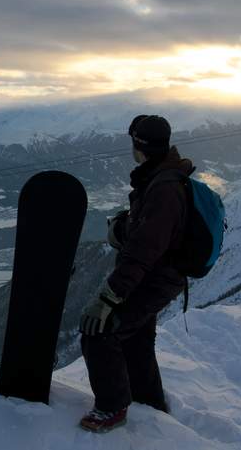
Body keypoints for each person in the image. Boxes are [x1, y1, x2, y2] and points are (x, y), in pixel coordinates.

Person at [78, 114, 194, 433]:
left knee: (98, 330)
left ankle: (112, 408)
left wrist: (108, 297)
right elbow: (153, 233)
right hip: (159, 275)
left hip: (154, 278)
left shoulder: (164, 187)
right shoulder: (159, 176)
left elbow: (144, 252)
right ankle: (150, 402)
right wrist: (125, 227)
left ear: (137, 145)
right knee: (136, 339)